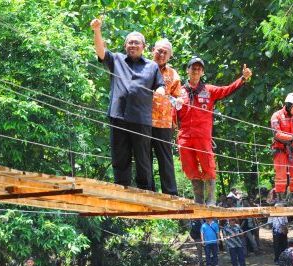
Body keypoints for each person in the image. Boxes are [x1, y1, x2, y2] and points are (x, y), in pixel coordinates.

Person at [90, 17, 165, 190]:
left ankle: (145, 191)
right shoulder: (116, 59)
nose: (133, 45)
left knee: (143, 157)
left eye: (136, 43)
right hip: (118, 116)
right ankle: (121, 189)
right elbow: (101, 52)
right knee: (120, 156)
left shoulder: (152, 66)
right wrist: (97, 30)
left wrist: (160, 92)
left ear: (144, 47)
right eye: (130, 42)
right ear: (125, 46)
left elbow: (160, 86)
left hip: (141, 118)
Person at [177, 56, 253, 205]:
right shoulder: (179, 91)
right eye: (193, 68)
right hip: (184, 136)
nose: (196, 70)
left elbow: (227, 90)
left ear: (203, 72)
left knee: (208, 165)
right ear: (187, 70)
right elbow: (172, 111)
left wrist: (242, 79)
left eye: (199, 68)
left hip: (203, 136)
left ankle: (211, 199)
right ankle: (198, 199)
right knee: (188, 166)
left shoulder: (209, 90)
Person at [148, 38, 182, 195]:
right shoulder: (143, 66)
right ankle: (147, 190)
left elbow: (178, 97)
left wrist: (179, 100)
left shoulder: (173, 74)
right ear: (153, 50)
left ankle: (170, 192)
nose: (161, 55)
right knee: (144, 156)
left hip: (164, 122)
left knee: (165, 158)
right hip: (143, 119)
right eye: (159, 51)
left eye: (165, 53)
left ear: (170, 56)